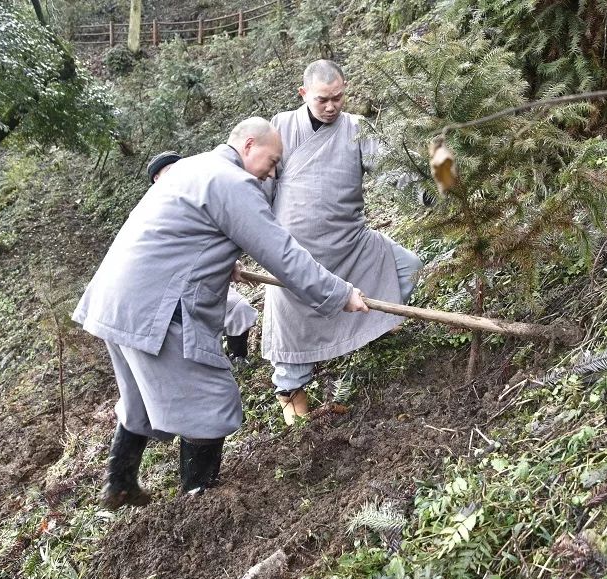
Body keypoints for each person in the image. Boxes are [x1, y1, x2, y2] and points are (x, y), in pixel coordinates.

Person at [73, 118, 369, 509]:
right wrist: (339, 293)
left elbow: (178, 232)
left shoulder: (192, 168)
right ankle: (198, 503)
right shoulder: (234, 182)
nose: (273, 170)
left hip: (117, 300)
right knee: (212, 404)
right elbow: (282, 254)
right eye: (272, 159)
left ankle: (121, 483)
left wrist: (219, 255)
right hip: (157, 309)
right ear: (248, 145)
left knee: (139, 399)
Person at [262, 59, 423, 425]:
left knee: (407, 267)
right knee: (291, 339)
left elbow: (392, 169)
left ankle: (374, 330)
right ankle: (297, 417)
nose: (332, 106)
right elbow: (260, 188)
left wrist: (426, 187)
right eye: (323, 100)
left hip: (352, 243)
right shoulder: (282, 126)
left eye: (338, 97)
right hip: (294, 258)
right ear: (304, 95)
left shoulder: (356, 128)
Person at [147, 151, 258, 369]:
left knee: (239, 308)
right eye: (169, 172)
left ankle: (238, 356)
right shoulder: (151, 212)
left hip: (206, 282)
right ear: (156, 180)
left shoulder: (197, 196)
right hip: (167, 297)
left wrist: (228, 264)